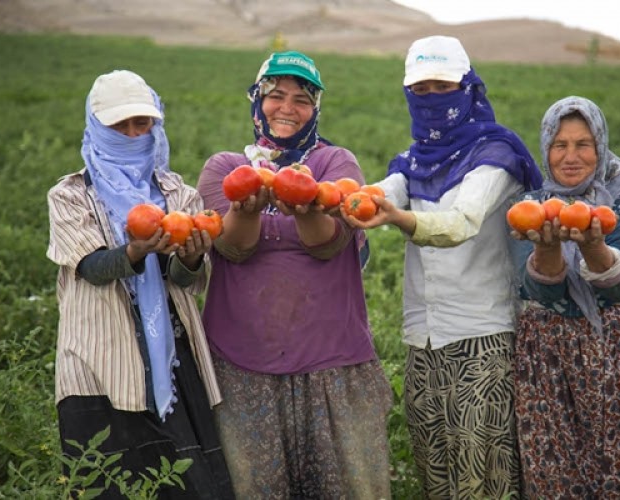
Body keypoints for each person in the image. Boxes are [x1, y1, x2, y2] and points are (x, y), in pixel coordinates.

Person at [342, 35, 543, 498]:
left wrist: (397, 218)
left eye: (442, 86)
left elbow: (461, 223)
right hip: (422, 338)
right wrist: (333, 199)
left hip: (482, 338)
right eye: (421, 89)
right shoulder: (415, 160)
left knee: (483, 477)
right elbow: (382, 191)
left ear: (467, 87)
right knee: (437, 475)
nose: (432, 98)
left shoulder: (496, 156)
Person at [196, 51, 393, 498]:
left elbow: (329, 244)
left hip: (334, 364)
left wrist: (305, 207)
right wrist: (247, 208)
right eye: (275, 96)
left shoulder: (336, 165)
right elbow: (232, 247)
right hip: (243, 369)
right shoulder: (226, 169)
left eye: (301, 99)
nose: (287, 107)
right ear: (256, 102)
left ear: (316, 108)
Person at [46, 69, 233, 499]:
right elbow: (90, 267)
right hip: (99, 362)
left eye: (141, 124)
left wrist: (189, 255)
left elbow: (185, 281)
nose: (132, 135)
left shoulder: (177, 194)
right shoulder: (71, 195)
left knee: (190, 483)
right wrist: (135, 251)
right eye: (119, 126)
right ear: (97, 126)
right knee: (110, 482)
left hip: (171, 357)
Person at [508, 95, 620, 498]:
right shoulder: (529, 208)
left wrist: (594, 245)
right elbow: (536, 286)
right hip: (550, 361)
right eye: (560, 145)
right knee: (557, 477)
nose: (570, 156)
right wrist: (548, 246)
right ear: (546, 149)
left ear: (601, 145)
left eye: (583, 144)